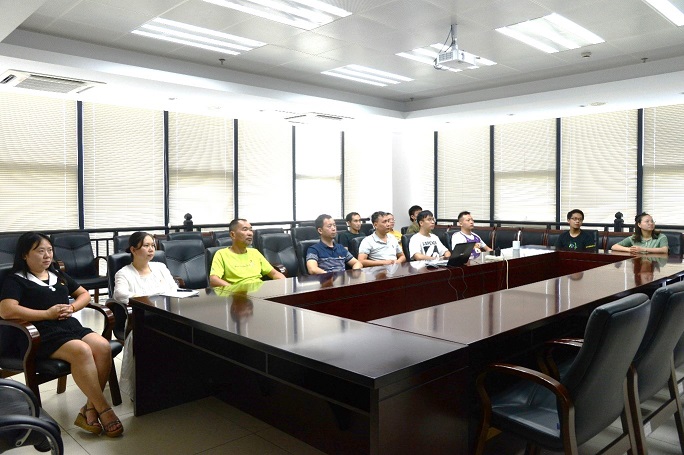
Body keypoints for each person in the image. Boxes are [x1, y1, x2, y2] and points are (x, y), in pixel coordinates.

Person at [0, 232, 123, 437]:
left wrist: (73, 308)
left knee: (102, 346)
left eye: (49, 250)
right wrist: (46, 314)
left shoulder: (56, 274)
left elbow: (83, 294)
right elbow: (6, 310)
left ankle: (89, 409)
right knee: (82, 350)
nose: (47, 255)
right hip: (38, 333)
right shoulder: (16, 279)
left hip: (68, 326)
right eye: (40, 251)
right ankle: (104, 409)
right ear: (24, 255)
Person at [113, 231, 177, 400]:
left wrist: (150, 297)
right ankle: (146, 389)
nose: (151, 249)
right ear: (133, 250)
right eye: (146, 246)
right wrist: (151, 298)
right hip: (141, 321)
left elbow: (174, 289)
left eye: (153, 246)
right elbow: (120, 295)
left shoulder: (160, 267)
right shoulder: (124, 273)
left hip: (167, 316)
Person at [209, 218, 286, 286]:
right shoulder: (221, 254)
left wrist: (285, 284)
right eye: (245, 229)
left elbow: (274, 273)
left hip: (260, 292)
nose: (250, 233)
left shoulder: (255, 252)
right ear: (233, 235)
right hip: (238, 294)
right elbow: (214, 280)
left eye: (251, 230)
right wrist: (233, 291)